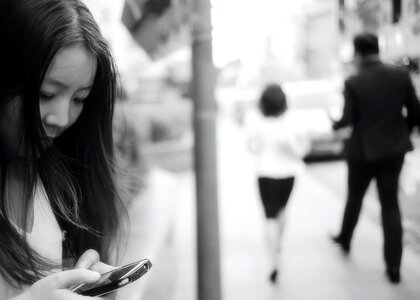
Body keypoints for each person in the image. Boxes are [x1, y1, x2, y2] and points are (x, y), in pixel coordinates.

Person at [0, 0, 126, 298]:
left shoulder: (66, 180)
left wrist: (90, 287)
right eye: (46, 94)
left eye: (79, 99)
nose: (62, 118)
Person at [331, 32, 420, 284]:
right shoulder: (400, 76)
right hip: (393, 151)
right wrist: (402, 128)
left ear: (357, 54)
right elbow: (416, 113)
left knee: (355, 197)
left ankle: (345, 238)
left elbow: (347, 118)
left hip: (362, 153)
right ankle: (394, 267)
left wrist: (336, 124)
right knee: (390, 205)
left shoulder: (354, 82)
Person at [245, 83, 309, 283]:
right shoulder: (291, 121)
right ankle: (278, 244)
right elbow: (303, 149)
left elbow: (252, 147)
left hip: (265, 173)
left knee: (269, 216)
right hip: (289, 174)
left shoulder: (256, 121)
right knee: (282, 210)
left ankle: (273, 262)